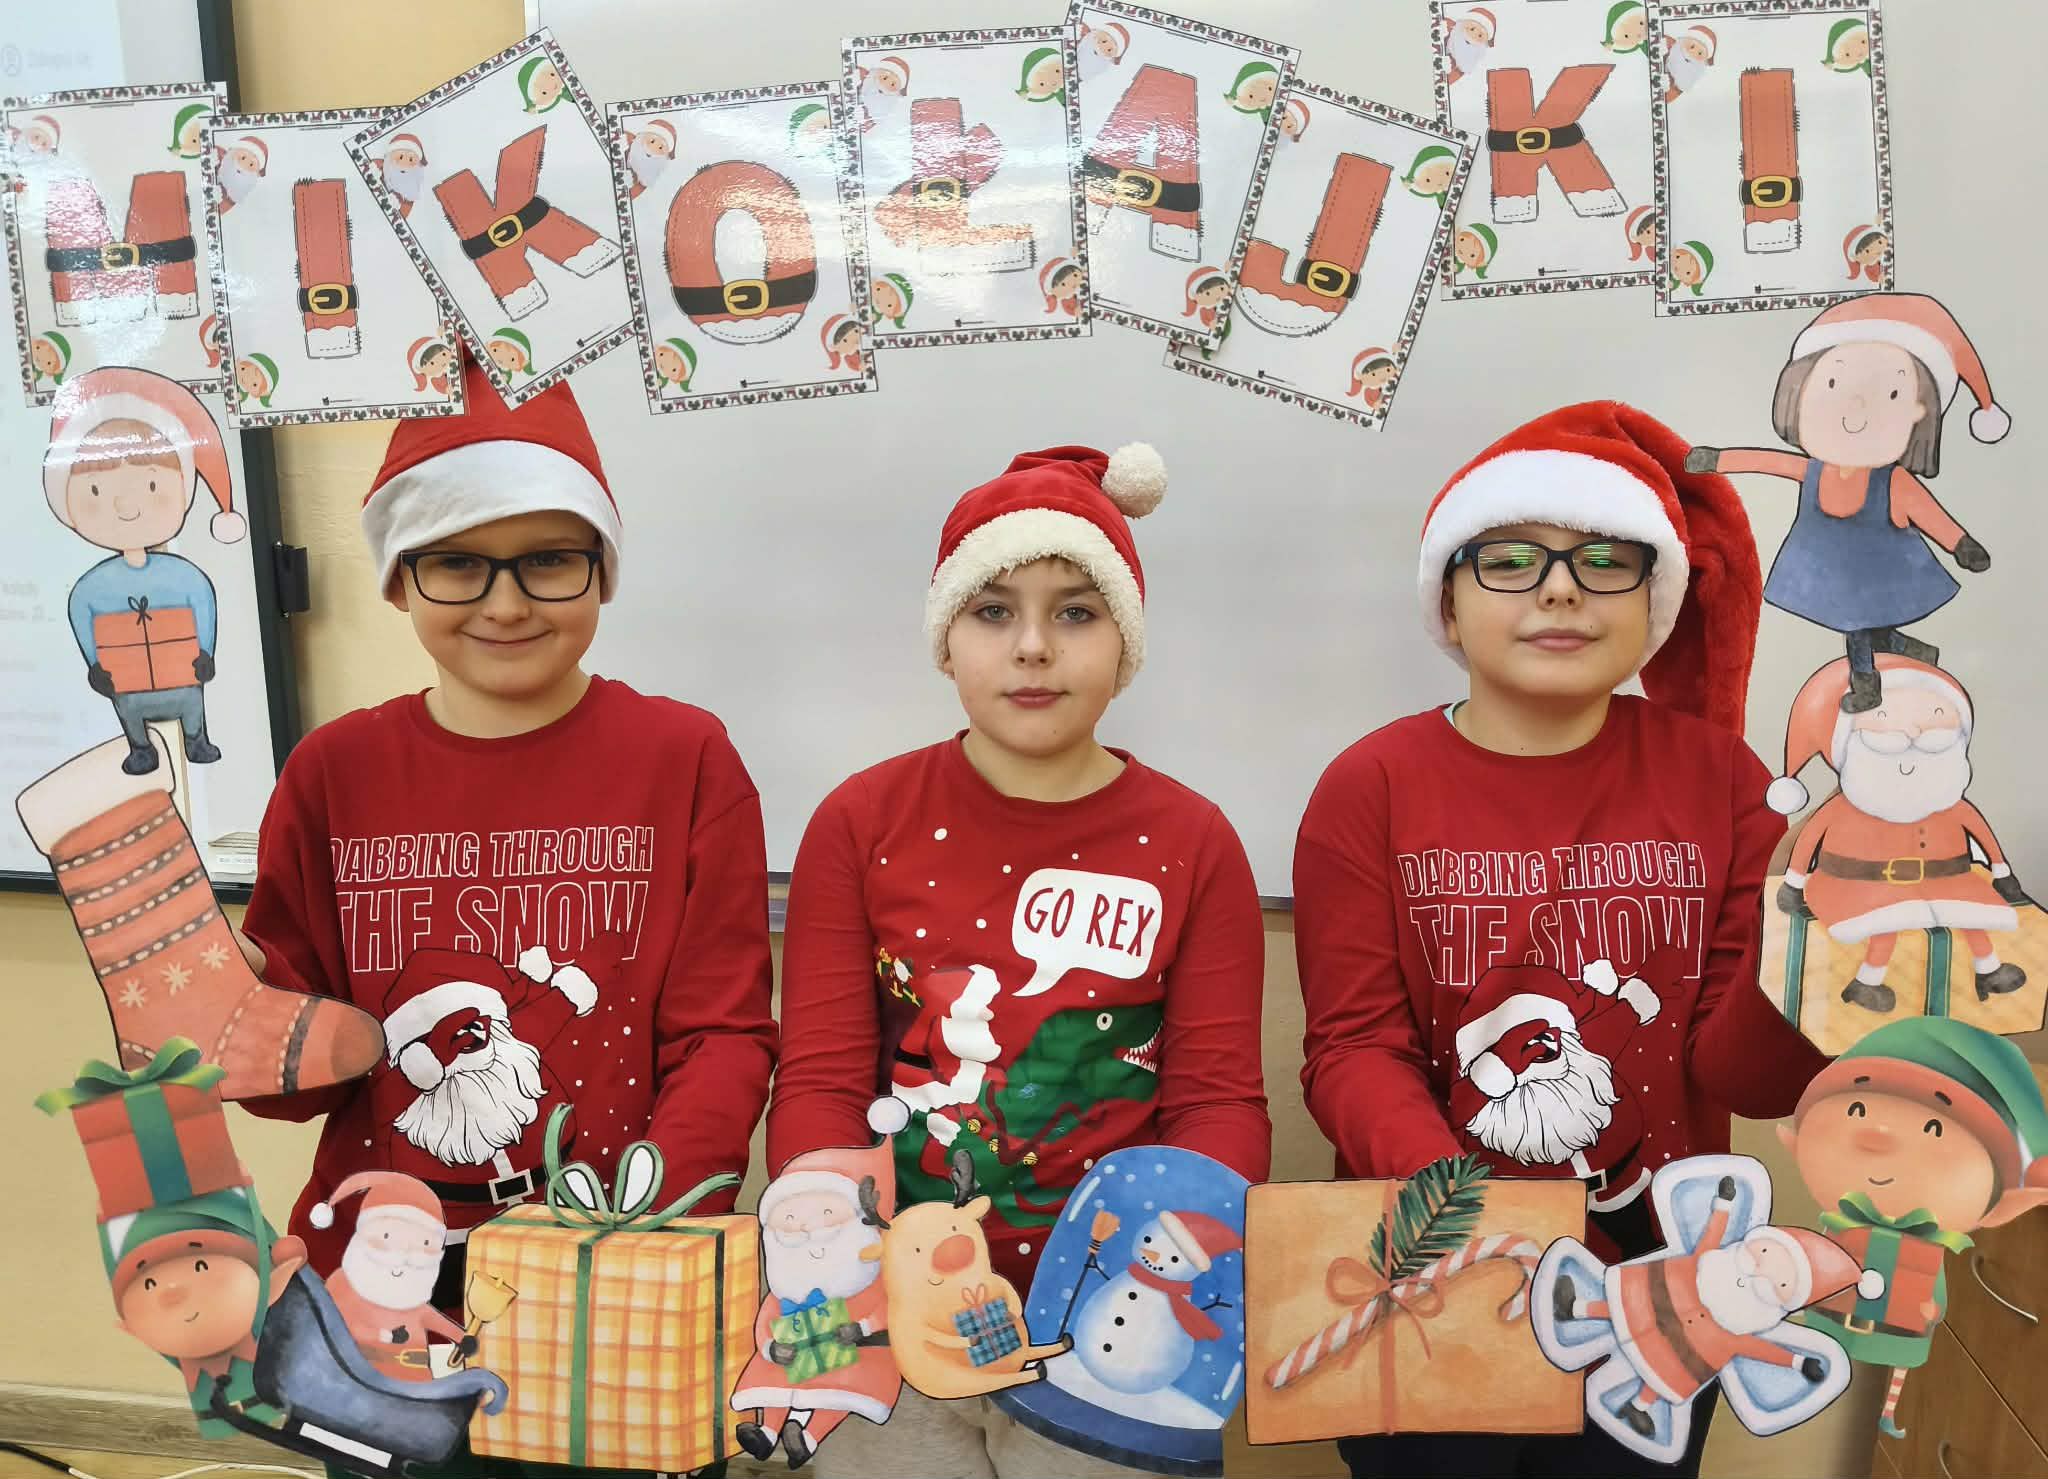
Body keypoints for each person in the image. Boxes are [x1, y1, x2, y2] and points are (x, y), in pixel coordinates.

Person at [1295, 402, 1829, 1478]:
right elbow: (1351, 1053)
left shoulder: (1726, 783)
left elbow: (1746, 1077)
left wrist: (1814, 944)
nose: (1559, 589)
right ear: (1447, 599)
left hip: (1659, 1296)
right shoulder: (1370, 786)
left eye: (1604, 560)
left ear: (1655, 599)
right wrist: (1477, 1214)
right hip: (1435, 1280)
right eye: (1508, 559)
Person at [235, 348, 776, 1312]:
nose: (507, 603)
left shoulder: (685, 758)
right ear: (398, 581)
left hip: (621, 1268)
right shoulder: (331, 773)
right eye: (456, 563)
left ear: (602, 570)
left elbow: (722, 1035)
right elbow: (293, 1085)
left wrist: (648, 1218)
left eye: (549, 560)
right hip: (377, 1281)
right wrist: (228, 1008)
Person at [769, 443, 1270, 1476]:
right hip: (894, 1316)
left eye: (1076, 612)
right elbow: (820, 1083)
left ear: (1125, 642)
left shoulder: (1196, 840)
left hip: (1108, 1331)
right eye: (993, 611)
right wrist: (834, 1262)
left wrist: (1182, 1266)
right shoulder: (858, 821)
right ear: (945, 640)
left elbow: (1217, 1102)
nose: (1033, 647)